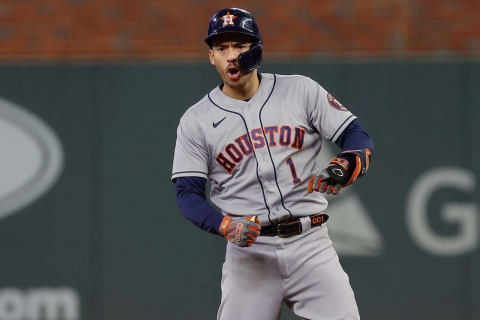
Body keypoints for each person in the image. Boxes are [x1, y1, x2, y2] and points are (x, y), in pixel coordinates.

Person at [171, 7, 374, 320]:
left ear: (257, 50)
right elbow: (187, 194)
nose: (230, 56)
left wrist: (347, 164)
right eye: (221, 48)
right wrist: (225, 225)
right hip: (249, 255)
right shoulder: (196, 120)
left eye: (239, 45)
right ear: (211, 56)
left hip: (311, 244)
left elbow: (356, 137)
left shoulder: (300, 90)